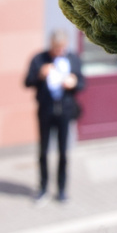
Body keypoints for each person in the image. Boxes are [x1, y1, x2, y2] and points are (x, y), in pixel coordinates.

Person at [25, 30, 85, 205]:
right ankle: (43, 187)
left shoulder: (72, 58)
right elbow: (27, 82)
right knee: (43, 151)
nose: (59, 50)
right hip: (45, 109)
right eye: (56, 47)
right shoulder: (39, 59)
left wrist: (74, 83)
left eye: (62, 47)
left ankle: (61, 190)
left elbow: (82, 82)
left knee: (63, 152)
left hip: (65, 110)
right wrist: (40, 75)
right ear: (51, 45)